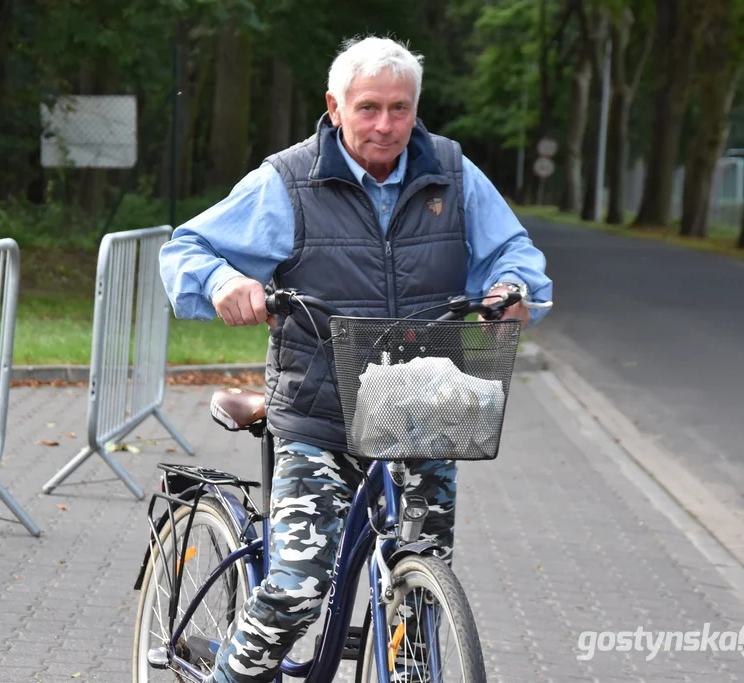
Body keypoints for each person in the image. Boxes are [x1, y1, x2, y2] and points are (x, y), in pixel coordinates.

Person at [159, 35, 552, 683]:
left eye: (400, 109)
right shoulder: (287, 180)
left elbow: (514, 253)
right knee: (296, 587)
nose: (386, 125)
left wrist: (514, 290)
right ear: (334, 107)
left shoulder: (452, 174)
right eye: (368, 107)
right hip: (320, 412)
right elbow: (187, 250)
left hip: (425, 404)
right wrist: (224, 284)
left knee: (422, 580)